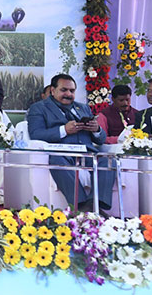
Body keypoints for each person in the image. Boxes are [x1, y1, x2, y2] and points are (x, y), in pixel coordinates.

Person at [27, 73, 114, 212]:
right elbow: (36, 134)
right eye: (64, 90)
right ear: (53, 90)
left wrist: (96, 129)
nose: (68, 94)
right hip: (62, 153)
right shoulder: (39, 108)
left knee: (108, 161)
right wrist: (64, 130)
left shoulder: (83, 108)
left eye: (72, 91)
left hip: (87, 154)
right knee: (57, 160)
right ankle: (81, 206)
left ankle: (95, 204)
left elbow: (101, 139)